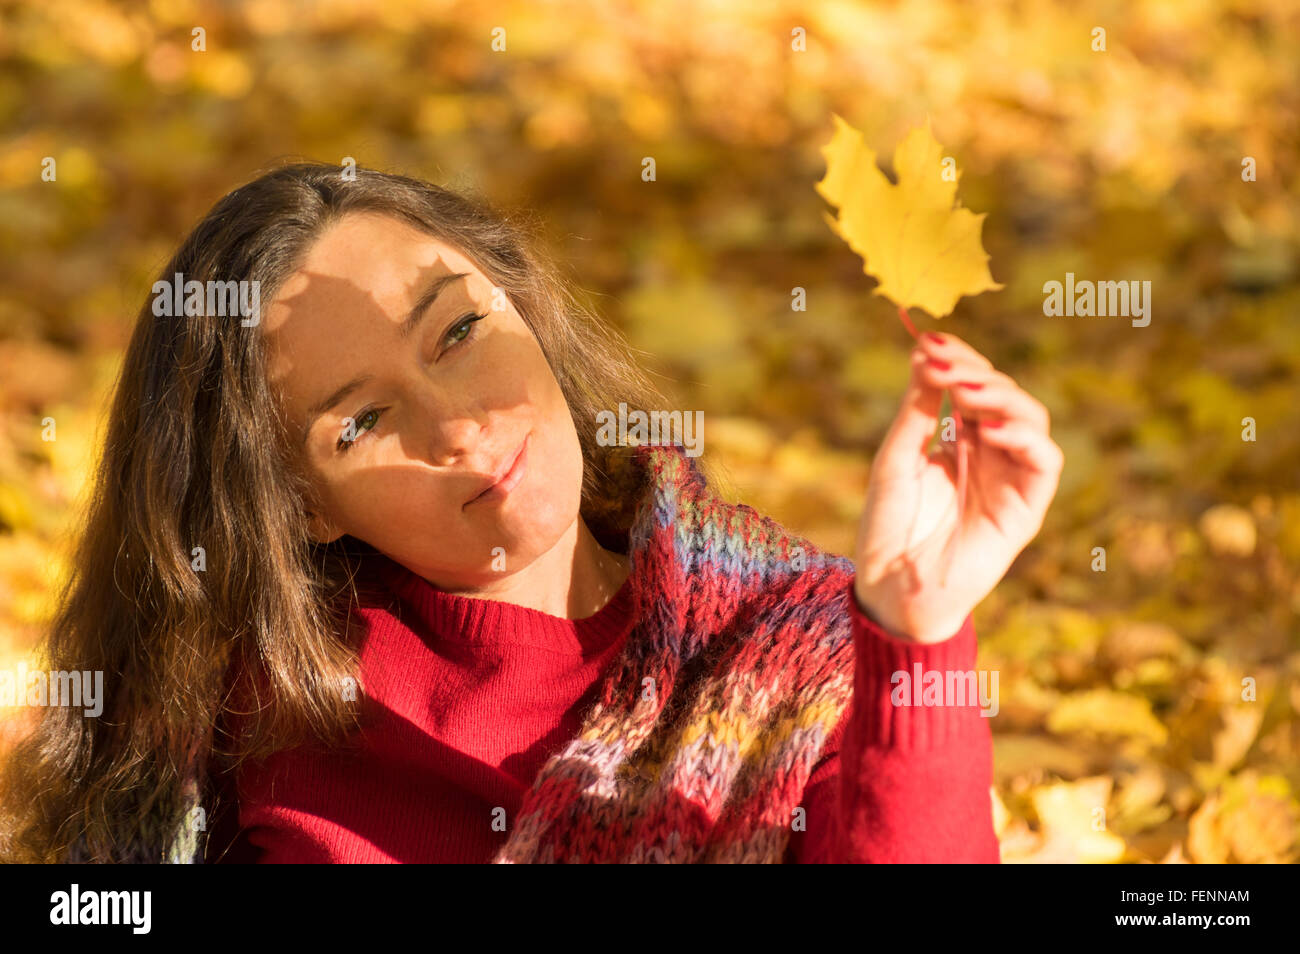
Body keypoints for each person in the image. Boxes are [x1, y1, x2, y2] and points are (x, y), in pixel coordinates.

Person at [0, 162, 1062, 864]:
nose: (459, 429)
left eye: (457, 331)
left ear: (525, 303)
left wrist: (917, 634)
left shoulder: (798, 649)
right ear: (298, 508)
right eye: (361, 423)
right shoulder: (244, 710)